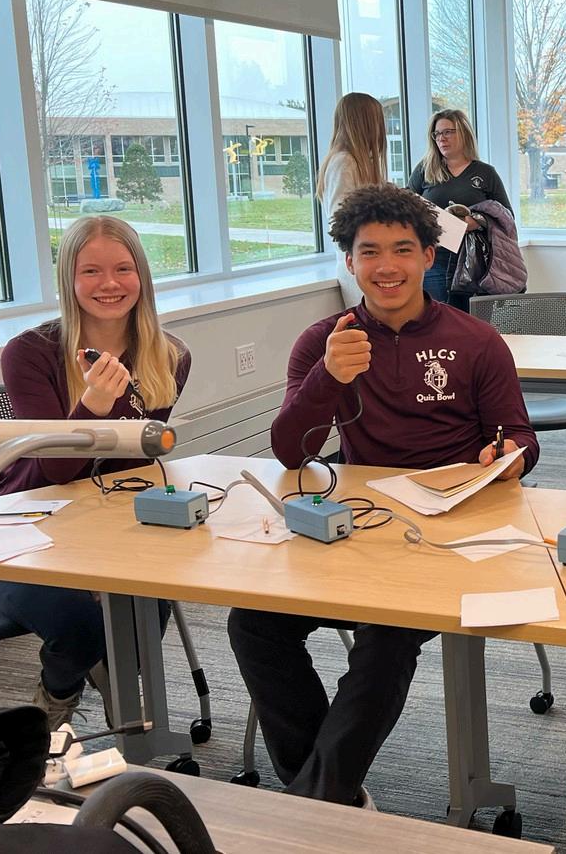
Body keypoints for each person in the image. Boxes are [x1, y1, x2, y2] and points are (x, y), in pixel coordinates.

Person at [228, 183, 537, 807]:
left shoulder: (477, 341)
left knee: (389, 636)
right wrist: (327, 377)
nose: (387, 266)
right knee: (252, 623)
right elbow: (290, 451)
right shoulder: (325, 341)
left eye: (402, 250)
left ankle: (315, 800)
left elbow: (521, 439)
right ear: (350, 262)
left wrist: (507, 459)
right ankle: (328, 793)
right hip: (360, 530)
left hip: (447, 535)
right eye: (370, 252)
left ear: (429, 257)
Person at [0, 216, 190, 728]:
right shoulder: (29, 353)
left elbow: (131, 468)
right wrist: (95, 405)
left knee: (141, 629)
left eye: (123, 268)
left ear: (141, 276)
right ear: (69, 280)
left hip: (106, 522)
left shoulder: (168, 357)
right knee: (81, 626)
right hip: (20, 525)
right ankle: (53, 704)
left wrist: (105, 558)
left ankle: (125, 718)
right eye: (91, 271)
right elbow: (56, 469)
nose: (109, 283)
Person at [407, 107, 511, 312]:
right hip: (435, 261)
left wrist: (476, 222)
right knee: (437, 318)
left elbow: (507, 216)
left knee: (474, 321)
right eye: (437, 134)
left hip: (475, 263)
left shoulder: (485, 173)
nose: (441, 138)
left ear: (463, 133)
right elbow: (406, 206)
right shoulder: (424, 170)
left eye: (448, 132)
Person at [318, 92, 388, 308]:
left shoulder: (356, 163)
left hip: (366, 262)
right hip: (359, 266)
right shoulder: (344, 163)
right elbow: (340, 221)